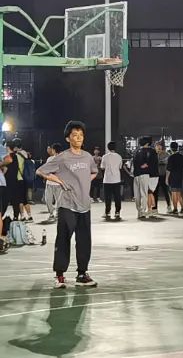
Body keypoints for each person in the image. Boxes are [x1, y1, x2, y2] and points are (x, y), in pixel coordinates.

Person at [37, 121, 98, 288]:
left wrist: (84, 182)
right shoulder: (62, 157)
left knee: (84, 241)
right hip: (67, 205)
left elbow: (94, 172)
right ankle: (60, 275)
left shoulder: (88, 157)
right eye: (75, 135)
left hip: (84, 205)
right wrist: (59, 180)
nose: (78, 138)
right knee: (63, 239)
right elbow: (41, 170)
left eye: (81, 135)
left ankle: (82, 274)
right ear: (68, 138)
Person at [131, 136, 157, 220]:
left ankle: (139, 211)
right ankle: (142, 211)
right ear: (148, 143)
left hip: (136, 174)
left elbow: (133, 163)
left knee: (137, 194)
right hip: (145, 174)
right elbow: (153, 163)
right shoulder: (152, 151)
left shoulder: (136, 151)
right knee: (144, 194)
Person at [42, 142, 64, 223]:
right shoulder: (51, 159)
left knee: (50, 199)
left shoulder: (60, 159)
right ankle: (53, 213)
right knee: (55, 200)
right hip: (52, 182)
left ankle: (55, 214)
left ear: (54, 150)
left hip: (56, 183)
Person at [101, 141, 124, 221]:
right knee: (117, 197)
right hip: (116, 179)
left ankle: (107, 212)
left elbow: (102, 167)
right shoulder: (119, 156)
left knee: (107, 197)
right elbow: (120, 167)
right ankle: (117, 212)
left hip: (107, 179)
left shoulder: (104, 157)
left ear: (108, 148)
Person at [167, 142, 183, 215]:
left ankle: (175, 209)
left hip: (173, 176)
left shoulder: (171, 157)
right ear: (177, 147)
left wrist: (166, 178)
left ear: (171, 148)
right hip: (180, 176)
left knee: (174, 193)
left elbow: (168, 169)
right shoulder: (181, 156)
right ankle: (182, 208)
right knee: (179, 193)